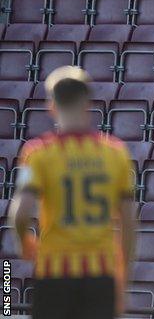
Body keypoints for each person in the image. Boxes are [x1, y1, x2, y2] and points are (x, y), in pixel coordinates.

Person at [9, 66, 136, 319]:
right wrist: (122, 274)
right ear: (88, 103)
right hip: (100, 273)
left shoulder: (35, 153)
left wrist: (24, 244)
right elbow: (129, 222)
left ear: (51, 105)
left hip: (55, 271)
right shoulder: (116, 152)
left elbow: (20, 213)